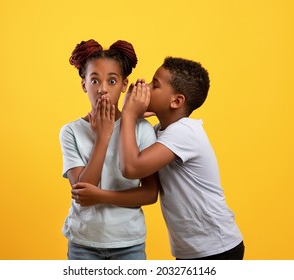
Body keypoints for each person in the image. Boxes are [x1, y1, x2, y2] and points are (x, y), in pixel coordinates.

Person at [74, 56, 244, 260]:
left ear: (176, 101)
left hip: (218, 246)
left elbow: (131, 168)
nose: (143, 86)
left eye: (154, 85)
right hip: (192, 249)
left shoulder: (185, 132)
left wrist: (128, 114)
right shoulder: (160, 132)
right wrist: (131, 119)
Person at [59, 39, 159, 260]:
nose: (103, 89)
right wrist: (103, 137)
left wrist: (102, 196)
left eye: (112, 81)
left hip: (128, 243)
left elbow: (150, 193)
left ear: (124, 85)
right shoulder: (70, 131)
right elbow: (83, 192)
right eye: (94, 80)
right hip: (83, 242)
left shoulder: (141, 129)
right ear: (84, 84)